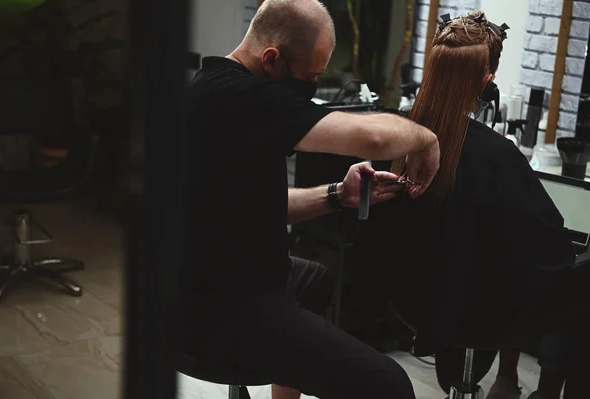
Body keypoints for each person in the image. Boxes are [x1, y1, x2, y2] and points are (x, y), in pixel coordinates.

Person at [178, 0, 440, 398]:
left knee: (314, 278)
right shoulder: (239, 97)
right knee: (390, 384)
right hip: (224, 310)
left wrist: (337, 194)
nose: (313, 87)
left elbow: (261, 205)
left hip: (218, 283)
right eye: (311, 76)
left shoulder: (216, 87)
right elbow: (374, 138)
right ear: (272, 59)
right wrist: (427, 137)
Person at [346, 11, 582, 399]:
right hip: (474, 312)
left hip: (414, 303)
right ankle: (540, 387)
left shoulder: (401, 140)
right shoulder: (497, 155)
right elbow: (549, 246)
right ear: (486, 82)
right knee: (570, 276)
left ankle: (504, 378)